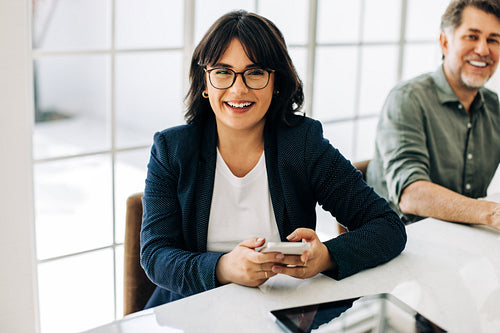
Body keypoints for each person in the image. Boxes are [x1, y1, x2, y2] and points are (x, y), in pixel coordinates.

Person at [140, 10, 406, 308]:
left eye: (255, 72)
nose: (238, 89)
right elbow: (156, 256)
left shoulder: (303, 143)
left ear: (275, 81)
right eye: (223, 72)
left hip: (284, 308)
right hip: (191, 309)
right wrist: (225, 268)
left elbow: (386, 226)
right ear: (204, 83)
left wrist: (326, 257)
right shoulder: (171, 149)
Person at [367, 0, 500, 229]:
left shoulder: (493, 105)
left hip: (462, 237)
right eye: (472, 36)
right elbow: (411, 194)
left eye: (493, 40)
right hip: (402, 241)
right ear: (445, 42)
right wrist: (490, 214)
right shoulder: (407, 98)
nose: (483, 50)